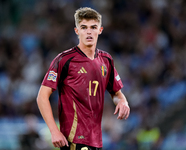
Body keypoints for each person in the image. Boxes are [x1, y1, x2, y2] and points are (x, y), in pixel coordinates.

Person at [37, 7, 130, 150]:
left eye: (93, 27)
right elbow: (42, 96)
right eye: (84, 27)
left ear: (100, 30)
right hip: (74, 139)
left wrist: (122, 101)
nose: (88, 32)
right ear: (77, 31)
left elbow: (116, 92)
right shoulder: (64, 60)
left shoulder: (106, 60)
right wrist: (54, 131)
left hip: (96, 140)